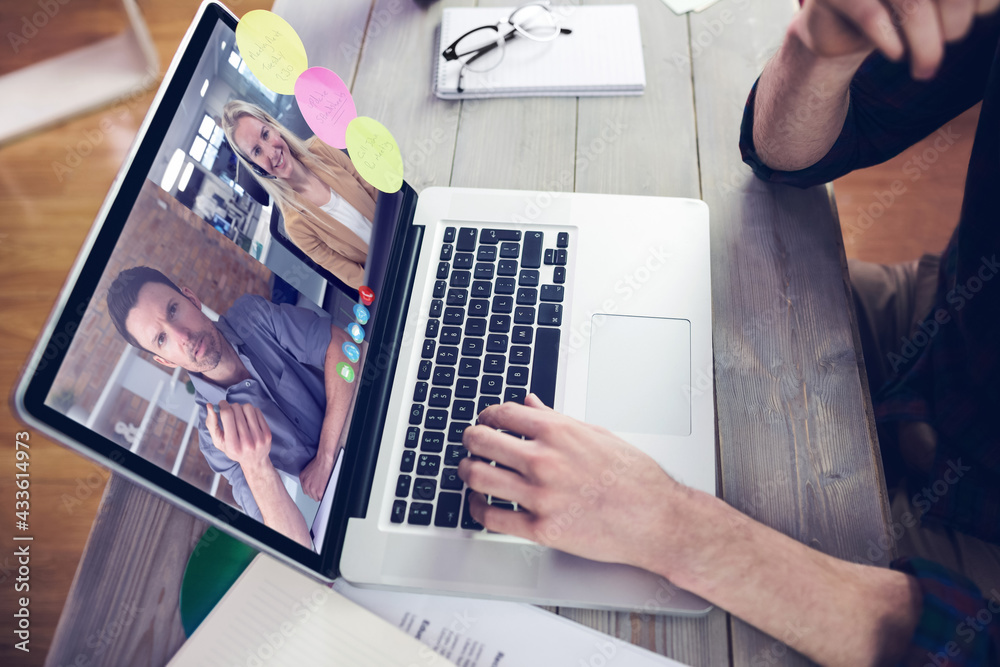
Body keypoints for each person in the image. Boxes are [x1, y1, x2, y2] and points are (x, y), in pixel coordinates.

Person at [459, 0, 1000, 663]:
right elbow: (788, 152)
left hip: (975, 555)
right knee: (606, 299)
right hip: (940, 333)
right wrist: (823, 48)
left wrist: (678, 528)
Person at [107, 266, 355, 549]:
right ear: (164, 361)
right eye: (161, 339)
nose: (182, 336)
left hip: (367, 416)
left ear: (191, 298)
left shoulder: (252, 316)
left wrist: (325, 456)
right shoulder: (216, 443)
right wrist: (255, 465)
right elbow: (294, 545)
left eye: (173, 310)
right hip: (344, 493)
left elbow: (343, 346)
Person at [221, 100, 379, 289]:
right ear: (255, 167)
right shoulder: (296, 226)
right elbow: (355, 277)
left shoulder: (322, 148)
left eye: (265, 134)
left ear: (274, 128)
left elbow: (375, 190)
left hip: (397, 229)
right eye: (257, 151)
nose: (272, 153)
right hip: (383, 273)